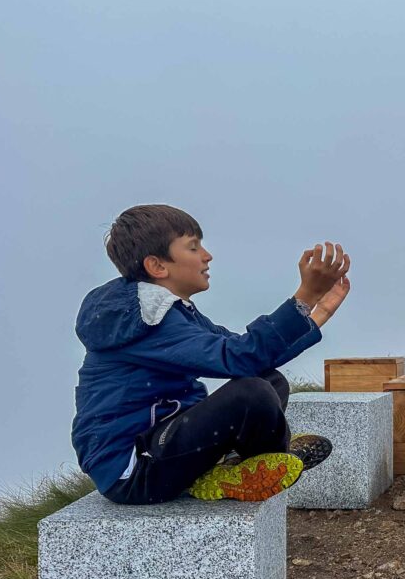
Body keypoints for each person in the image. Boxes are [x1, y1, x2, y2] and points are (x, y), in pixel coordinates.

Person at [71, 204, 350, 504]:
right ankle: (265, 461)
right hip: (136, 471)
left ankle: (246, 464)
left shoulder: (165, 310)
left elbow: (245, 351)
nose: (207, 256)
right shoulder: (149, 319)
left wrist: (315, 311)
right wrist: (304, 297)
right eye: (193, 248)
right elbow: (240, 356)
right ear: (158, 267)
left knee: (267, 379)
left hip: (161, 442)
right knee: (251, 392)